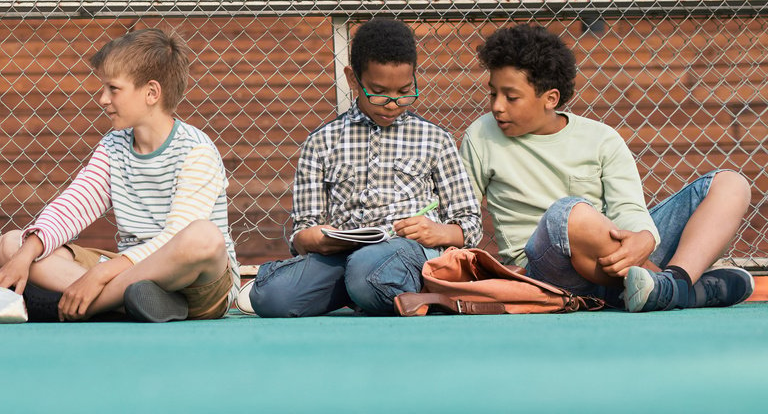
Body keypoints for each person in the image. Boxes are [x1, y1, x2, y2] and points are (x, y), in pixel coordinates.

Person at [461, 23, 754, 312]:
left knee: (731, 184)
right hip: (544, 272)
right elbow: (464, 215)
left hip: (612, 260)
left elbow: (627, 207)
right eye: (493, 94)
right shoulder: (481, 135)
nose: (498, 106)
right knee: (568, 213)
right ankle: (681, 291)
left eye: (511, 97)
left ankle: (672, 284)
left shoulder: (601, 138)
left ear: (551, 98)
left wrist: (644, 237)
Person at [0, 28, 238, 323]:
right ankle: (130, 301)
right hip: (130, 274)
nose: (103, 99)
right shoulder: (113, 145)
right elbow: (74, 205)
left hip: (197, 285)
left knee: (203, 236)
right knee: (13, 245)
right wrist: (25, 254)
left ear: (151, 93)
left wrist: (100, 274)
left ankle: (83, 306)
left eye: (113, 89)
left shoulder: (196, 151)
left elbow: (176, 237)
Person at [240, 18, 482, 317]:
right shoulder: (322, 142)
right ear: (353, 80)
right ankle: (377, 295)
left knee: (367, 272)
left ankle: (376, 290)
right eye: (379, 92)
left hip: (407, 251)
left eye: (405, 91)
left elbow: (470, 223)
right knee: (271, 298)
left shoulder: (436, 139)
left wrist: (439, 232)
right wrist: (315, 238)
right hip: (344, 255)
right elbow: (303, 231)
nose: (393, 104)